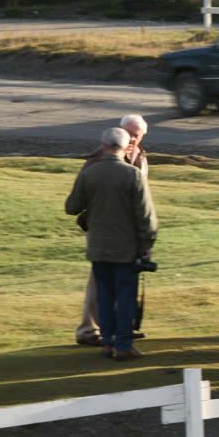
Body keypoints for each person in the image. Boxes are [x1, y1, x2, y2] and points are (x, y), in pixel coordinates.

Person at [64, 127, 158, 361]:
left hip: (98, 246)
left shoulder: (90, 173)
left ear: (104, 145)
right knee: (125, 296)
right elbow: (146, 215)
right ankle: (123, 345)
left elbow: (71, 207)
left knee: (104, 296)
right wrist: (147, 243)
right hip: (126, 247)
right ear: (125, 147)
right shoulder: (132, 175)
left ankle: (108, 342)